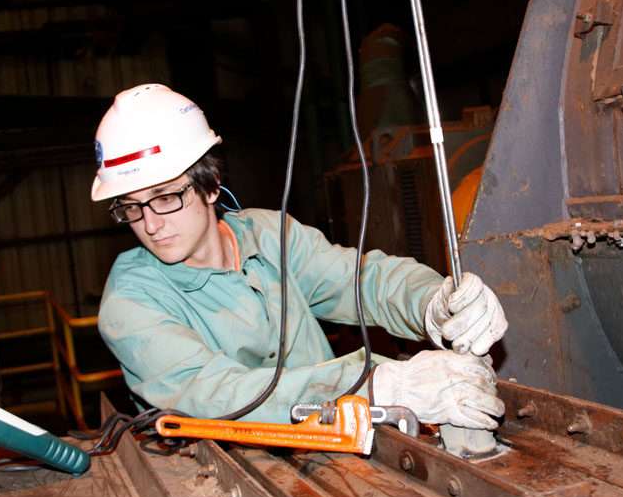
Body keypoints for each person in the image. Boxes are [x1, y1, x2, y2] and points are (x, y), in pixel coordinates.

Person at [93, 83, 508, 429]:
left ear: (211, 185)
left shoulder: (271, 236)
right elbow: (212, 394)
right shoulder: (131, 300)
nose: (149, 224)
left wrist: (432, 302)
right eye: (130, 206)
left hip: (341, 448)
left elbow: (359, 280)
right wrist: (379, 387)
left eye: (164, 198)